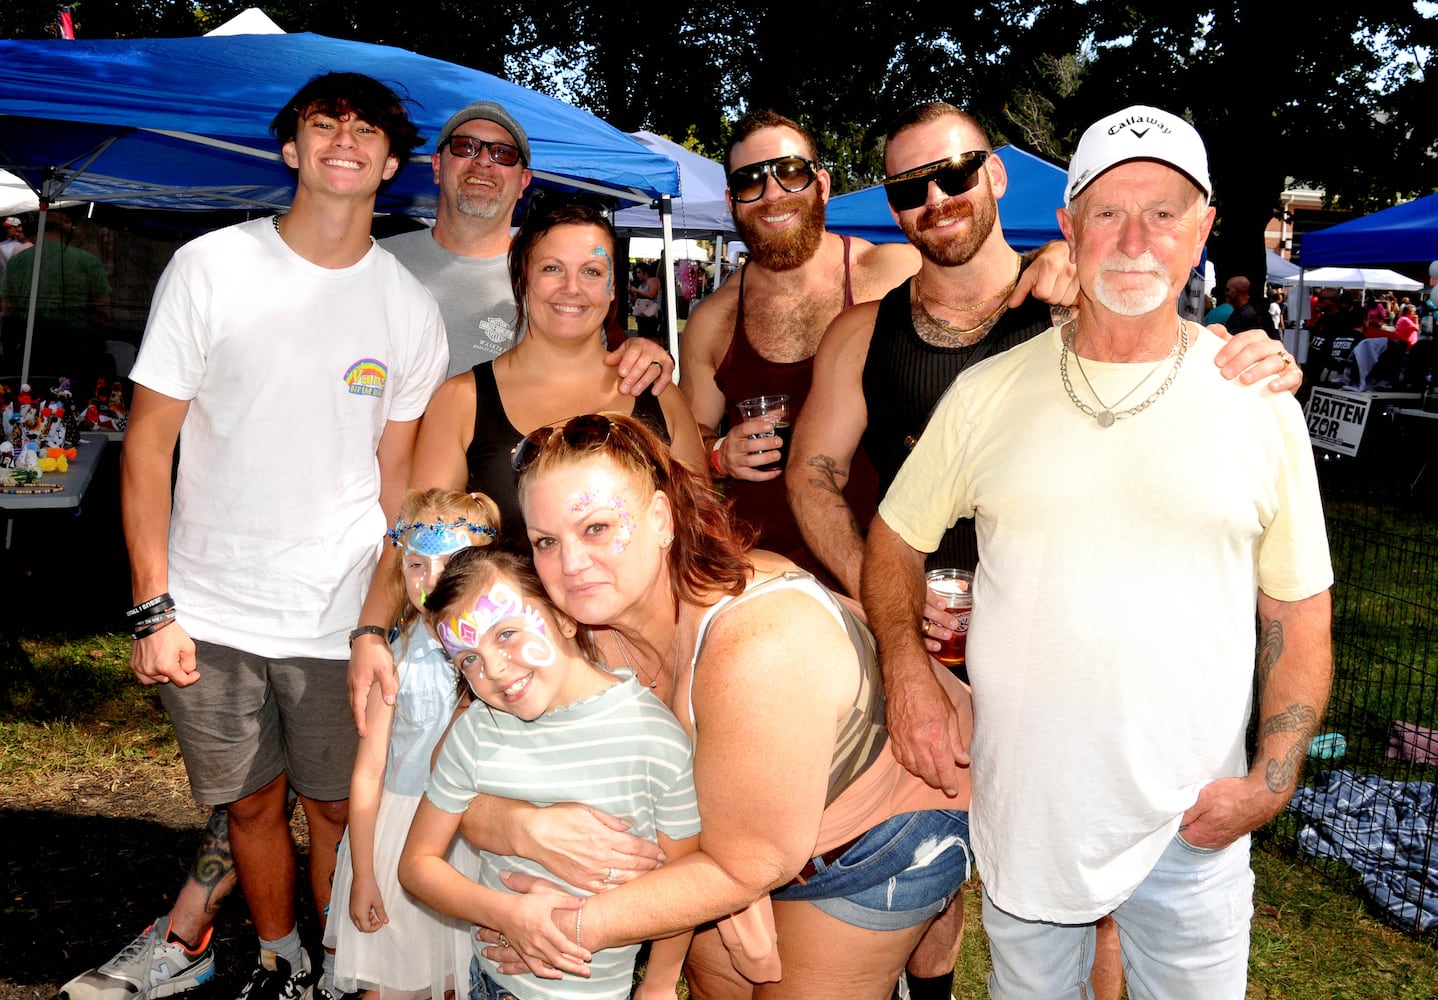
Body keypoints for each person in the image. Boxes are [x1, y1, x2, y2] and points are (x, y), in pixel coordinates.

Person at [787, 100, 1301, 1000]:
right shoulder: (921, 360)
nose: (1135, 236)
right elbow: (854, 503)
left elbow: (1297, 606)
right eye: (1107, 211)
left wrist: (1270, 777)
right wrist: (902, 653)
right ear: (1070, 222)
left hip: (1181, 791)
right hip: (1007, 745)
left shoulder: (1240, 392)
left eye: (1165, 211)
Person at [444, 412, 973, 1000]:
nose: (569, 564)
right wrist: (525, 828)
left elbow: (748, 863)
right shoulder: (571, 621)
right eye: (546, 541)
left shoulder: (760, 642)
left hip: (873, 833)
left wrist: (562, 928)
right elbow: (456, 760)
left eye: (596, 528)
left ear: (662, 519)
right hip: (726, 841)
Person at [119, 70, 447, 1000]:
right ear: (291, 148)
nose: (345, 138)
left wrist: (389, 618)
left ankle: (343, 965)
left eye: (366, 129)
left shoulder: (407, 310)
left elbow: (399, 486)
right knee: (251, 804)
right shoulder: (210, 266)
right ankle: (279, 958)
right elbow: (149, 446)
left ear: (390, 163)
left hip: (337, 613)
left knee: (339, 808)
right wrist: (154, 604)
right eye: (323, 123)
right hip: (208, 608)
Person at [680, 108, 1069, 592]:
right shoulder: (712, 321)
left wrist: (1064, 255)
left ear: (821, 184)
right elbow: (684, 449)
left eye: (790, 172)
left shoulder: (888, 270)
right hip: (766, 575)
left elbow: (966, 268)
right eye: (750, 180)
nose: (773, 192)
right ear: (732, 200)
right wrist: (719, 453)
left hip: (898, 569)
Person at [347, 197, 705, 715]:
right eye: (551, 269)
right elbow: (416, 540)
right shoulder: (462, 400)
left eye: (591, 271)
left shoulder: (658, 395)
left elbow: (699, 533)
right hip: (513, 682)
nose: (571, 288)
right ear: (522, 280)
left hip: (655, 669)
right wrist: (370, 630)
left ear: (611, 289)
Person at [399, 541, 703, 1000]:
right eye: (469, 660)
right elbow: (416, 866)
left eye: (505, 634)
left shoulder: (652, 739)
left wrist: (659, 981)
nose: (495, 669)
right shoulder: (476, 733)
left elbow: (685, 881)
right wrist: (507, 915)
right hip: (492, 981)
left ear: (563, 616)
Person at [326, 489, 501, 1000]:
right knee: (390, 981)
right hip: (396, 839)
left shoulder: (508, 659)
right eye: (417, 564)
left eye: (451, 563)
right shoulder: (393, 659)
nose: (431, 579)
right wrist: (363, 873)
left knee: (458, 979)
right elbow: (369, 770)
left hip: (472, 842)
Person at [380, 100, 672, 393]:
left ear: (524, 181)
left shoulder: (554, 282)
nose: (484, 161)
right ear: (437, 165)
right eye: (465, 146)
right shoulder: (376, 260)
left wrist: (642, 353)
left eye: (503, 153)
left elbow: (601, 372)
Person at [0, 209, 112, 385]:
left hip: (29, 354)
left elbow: (8, 313)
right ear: (66, 231)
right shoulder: (88, 261)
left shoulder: (17, 262)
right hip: (77, 355)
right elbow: (103, 314)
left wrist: (9, 354)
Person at [628, 261, 662, 342]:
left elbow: (651, 295)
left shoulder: (653, 281)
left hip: (652, 315)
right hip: (642, 316)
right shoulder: (641, 285)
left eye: (639, 272)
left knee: (650, 337)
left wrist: (637, 291)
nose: (638, 275)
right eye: (636, 273)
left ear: (645, 272)